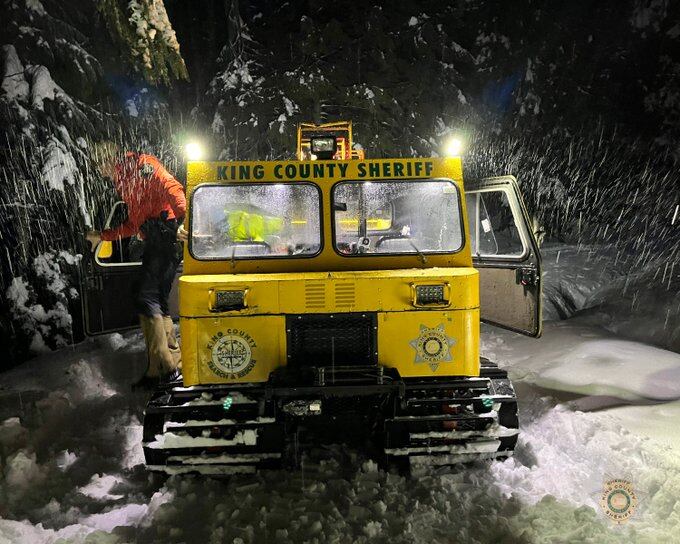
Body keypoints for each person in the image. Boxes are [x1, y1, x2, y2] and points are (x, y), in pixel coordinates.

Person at [86, 142, 188, 386]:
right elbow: (134, 224)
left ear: (108, 160)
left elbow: (172, 187)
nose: (98, 171)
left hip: (167, 235)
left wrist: (184, 220)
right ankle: (162, 367)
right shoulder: (124, 181)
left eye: (98, 164)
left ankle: (167, 367)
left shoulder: (142, 166)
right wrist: (104, 236)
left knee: (146, 296)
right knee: (155, 299)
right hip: (155, 239)